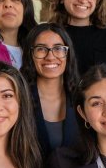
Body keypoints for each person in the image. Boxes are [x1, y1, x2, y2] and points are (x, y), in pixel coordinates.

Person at [20, 22, 82, 157]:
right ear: (30, 54)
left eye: (58, 48)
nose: (50, 56)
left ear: (68, 54)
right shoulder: (18, 98)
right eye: (41, 49)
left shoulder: (83, 98)